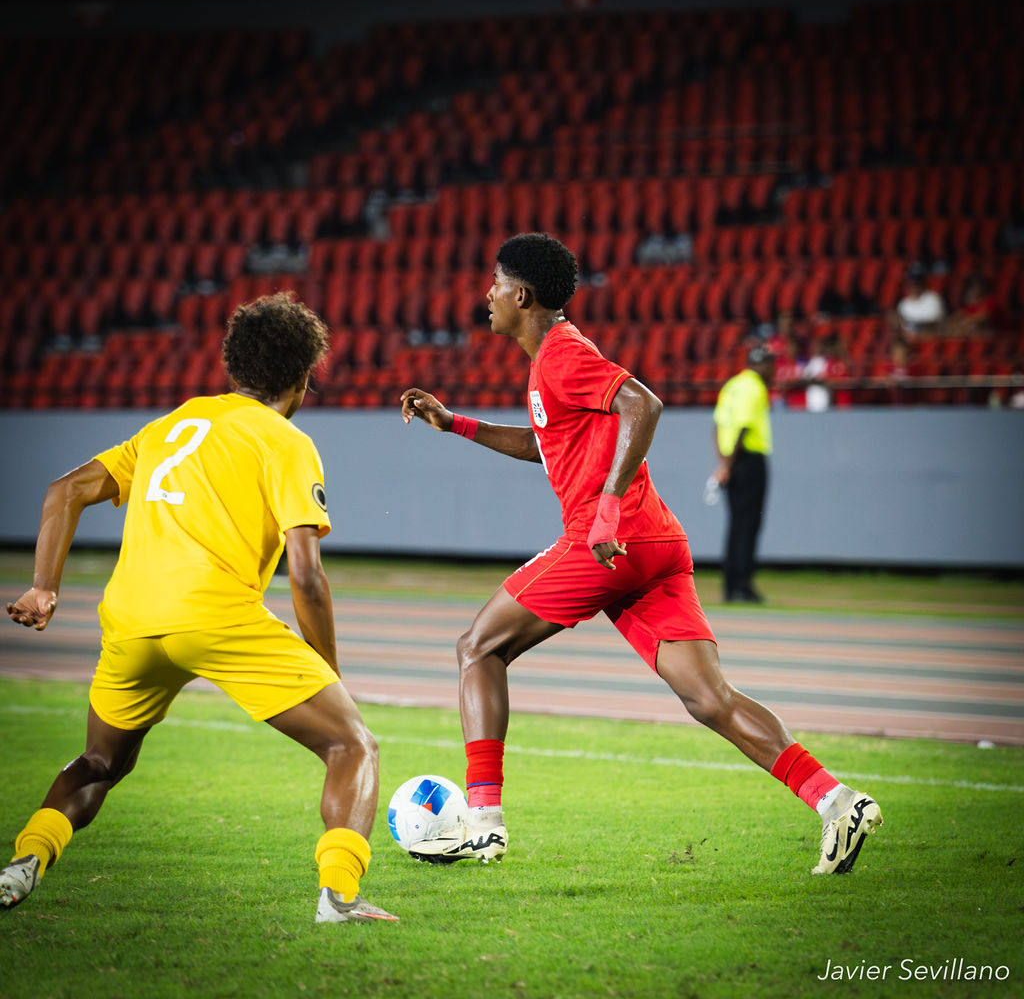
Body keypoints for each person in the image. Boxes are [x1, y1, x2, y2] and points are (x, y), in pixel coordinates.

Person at [399, 232, 882, 875]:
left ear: (522, 294)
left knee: (477, 648)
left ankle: (484, 822)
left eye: (494, 283)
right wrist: (456, 423)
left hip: (608, 541)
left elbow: (642, 403)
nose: (486, 294)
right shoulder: (552, 360)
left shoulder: (562, 354)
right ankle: (836, 800)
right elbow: (546, 445)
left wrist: (604, 506)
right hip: (654, 544)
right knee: (710, 699)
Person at [2, 292, 397, 924]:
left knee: (101, 762)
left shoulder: (174, 424)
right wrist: (326, 672)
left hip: (129, 620)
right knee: (353, 745)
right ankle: (339, 897)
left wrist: (43, 586)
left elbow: (65, 490)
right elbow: (307, 576)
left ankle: (25, 859)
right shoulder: (286, 441)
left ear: (233, 368)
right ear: (301, 377)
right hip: (216, 617)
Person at [712, 344, 774, 602]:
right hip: (747, 460)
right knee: (749, 525)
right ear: (762, 365)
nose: (773, 369)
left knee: (736, 524)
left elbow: (717, 425)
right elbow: (744, 427)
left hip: (731, 460)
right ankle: (742, 586)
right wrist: (729, 464)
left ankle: (730, 586)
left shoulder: (731, 386)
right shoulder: (755, 387)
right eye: (771, 364)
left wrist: (723, 464)